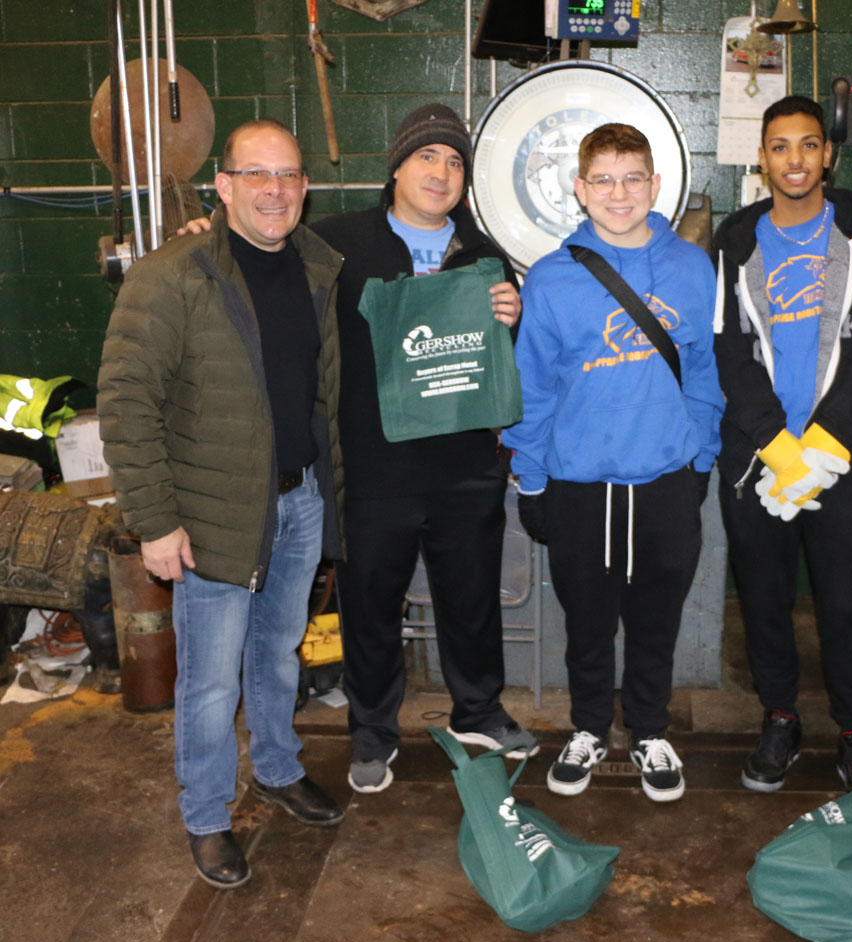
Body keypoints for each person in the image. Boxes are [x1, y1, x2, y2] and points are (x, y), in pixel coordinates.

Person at [99, 119, 346, 890]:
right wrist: (156, 520)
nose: (274, 190)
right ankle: (206, 816)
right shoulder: (173, 275)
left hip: (296, 500)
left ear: (304, 188)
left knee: (277, 652)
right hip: (208, 516)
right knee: (208, 679)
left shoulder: (317, 265)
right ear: (225, 185)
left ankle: (275, 766)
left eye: (288, 175)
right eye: (257, 174)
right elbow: (126, 403)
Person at [309, 104, 538, 794]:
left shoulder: (483, 255)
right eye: (427, 157)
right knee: (371, 608)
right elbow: (258, 258)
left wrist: (514, 318)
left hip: (465, 465)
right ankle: (373, 733)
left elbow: (499, 362)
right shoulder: (334, 244)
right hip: (376, 469)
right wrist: (210, 227)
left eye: (455, 161)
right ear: (398, 168)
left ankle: (479, 710)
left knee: (472, 599)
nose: (441, 172)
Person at [503, 123, 723, 803]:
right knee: (589, 622)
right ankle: (591, 727)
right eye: (603, 179)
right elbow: (532, 386)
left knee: (658, 618)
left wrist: (701, 459)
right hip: (579, 484)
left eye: (633, 178)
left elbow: (705, 371)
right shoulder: (551, 277)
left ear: (656, 185)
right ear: (580, 188)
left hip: (664, 477)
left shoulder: (690, 266)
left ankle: (651, 729)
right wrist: (531, 477)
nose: (619, 193)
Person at [712, 95, 852, 793]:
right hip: (761, 459)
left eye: (808, 145)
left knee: (845, 598)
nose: (795, 159)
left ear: (829, 154)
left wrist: (824, 439)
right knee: (763, 596)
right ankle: (780, 717)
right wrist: (776, 442)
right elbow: (727, 347)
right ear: (761, 160)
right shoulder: (734, 239)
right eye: (780, 146)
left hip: (842, 455)